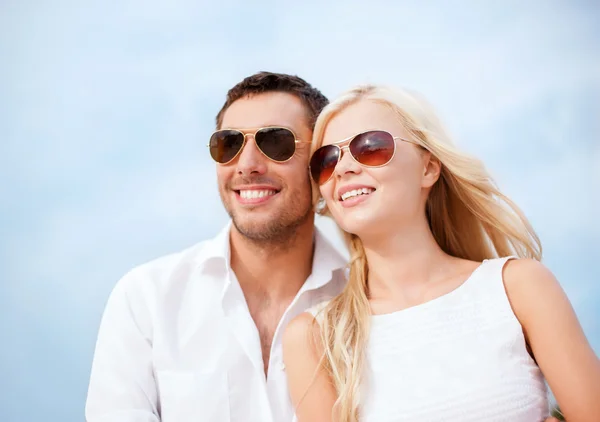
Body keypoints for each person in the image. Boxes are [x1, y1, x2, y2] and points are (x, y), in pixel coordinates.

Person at [283, 84, 600, 421]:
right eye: (327, 160)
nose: (344, 168)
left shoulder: (519, 287)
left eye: (370, 147)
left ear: (428, 168)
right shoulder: (315, 337)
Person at [85, 71, 348, 422]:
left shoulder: (366, 296)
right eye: (229, 144)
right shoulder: (146, 299)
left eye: (276, 143)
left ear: (321, 163)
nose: (247, 166)